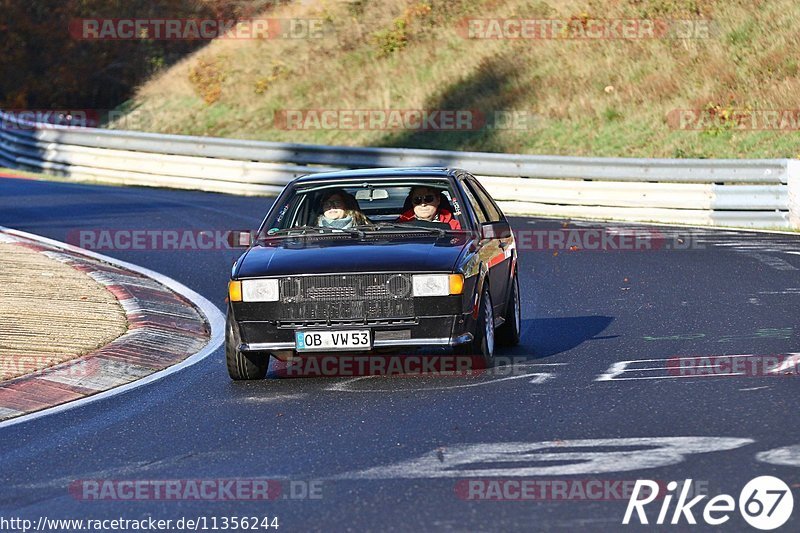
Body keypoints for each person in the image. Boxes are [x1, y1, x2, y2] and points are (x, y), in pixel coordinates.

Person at [396, 186, 461, 230]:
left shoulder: (454, 227)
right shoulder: (398, 227)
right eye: (417, 200)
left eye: (428, 199)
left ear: (438, 200)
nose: (423, 204)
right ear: (412, 203)